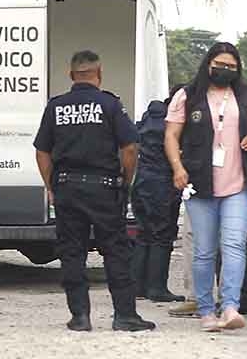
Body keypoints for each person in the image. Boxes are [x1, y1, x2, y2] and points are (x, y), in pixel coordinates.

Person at [34, 50, 156, 332]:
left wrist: (51, 185)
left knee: (72, 251)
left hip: (67, 187)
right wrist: (126, 181)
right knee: (115, 251)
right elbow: (129, 148)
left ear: (71, 75)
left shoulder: (56, 106)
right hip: (104, 189)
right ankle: (124, 315)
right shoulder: (110, 105)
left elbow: (42, 151)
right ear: (99, 74)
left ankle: (80, 316)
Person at [165, 42, 247, 332]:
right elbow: (171, 135)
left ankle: (231, 306)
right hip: (200, 183)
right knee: (204, 250)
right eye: (220, 65)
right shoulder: (187, 95)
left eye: (232, 67)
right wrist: (178, 168)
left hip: (240, 183)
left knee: (234, 244)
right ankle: (207, 310)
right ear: (208, 64)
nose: (225, 71)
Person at [131, 85, 186, 303]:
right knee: (163, 235)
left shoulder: (148, 118)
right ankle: (157, 287)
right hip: (162, 182)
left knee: (144, 233)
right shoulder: (172, 124)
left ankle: (137, 286)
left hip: (141, 180)